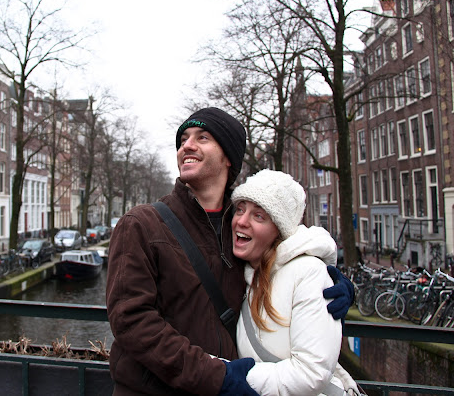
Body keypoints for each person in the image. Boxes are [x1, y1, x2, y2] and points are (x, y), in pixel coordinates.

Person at [106, 107, 354, 395]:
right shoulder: (141, 224)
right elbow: (131, 320)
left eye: (202, 137)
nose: (187, 145)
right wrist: (216, 377)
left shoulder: (241, 230)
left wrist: (330, 285)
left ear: (228, 158)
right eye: (183, 139)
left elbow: (288, 257)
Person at [230, 169, 358, 395]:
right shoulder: (247, 272)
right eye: (240, 209)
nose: (241, 221)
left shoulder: (307, 273)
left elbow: (311, 372)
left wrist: (229, 376)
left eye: (258, 215)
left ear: (279, 230)